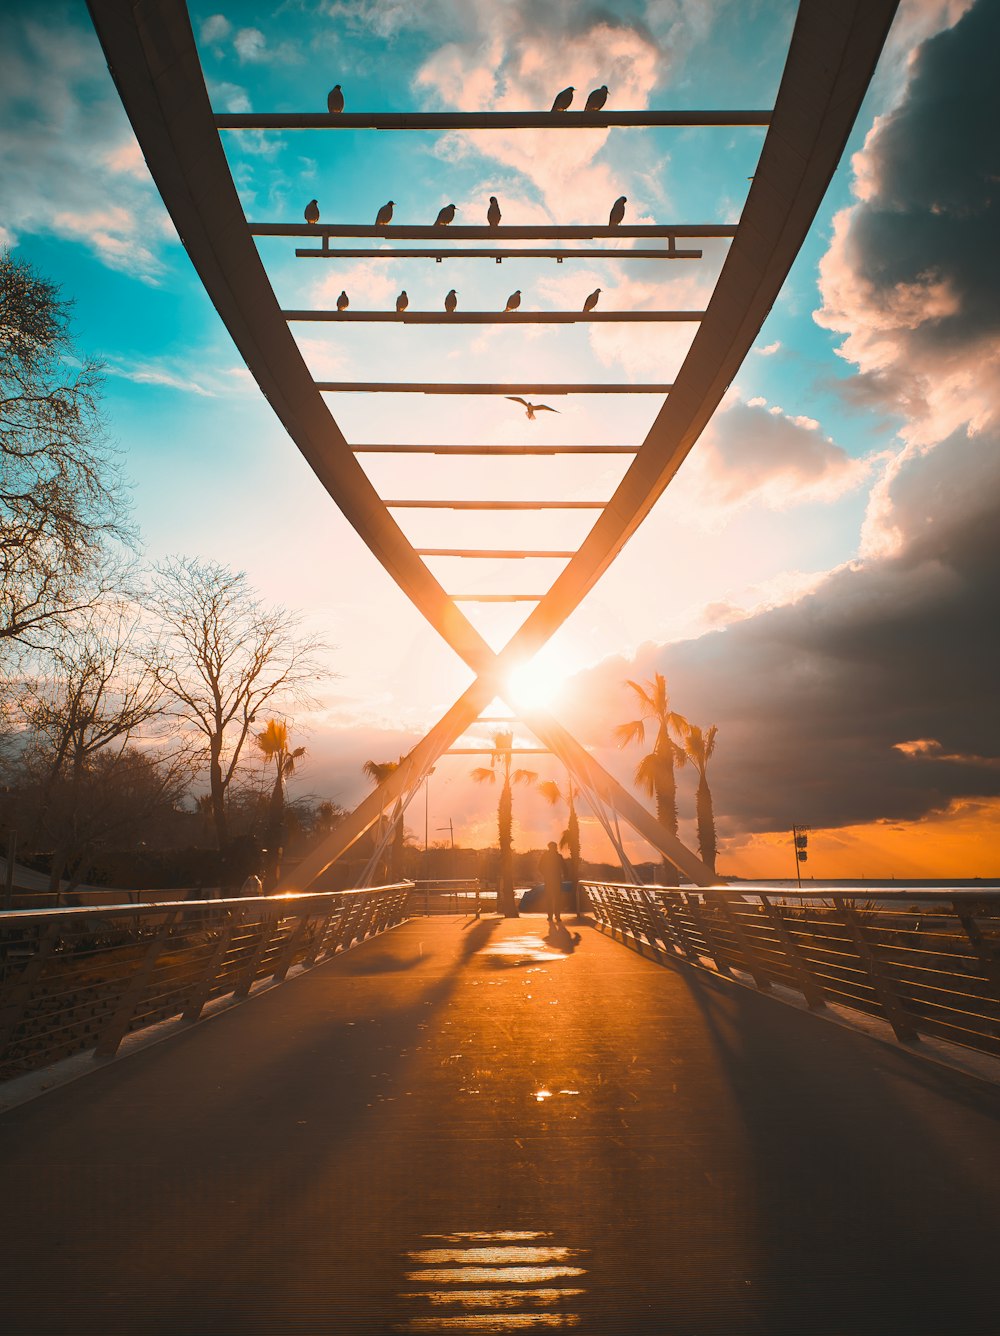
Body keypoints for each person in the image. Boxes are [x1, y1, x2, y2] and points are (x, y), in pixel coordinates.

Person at [540, 841, 566, 924]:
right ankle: (556, 916)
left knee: (550, 898)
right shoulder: (558, 856)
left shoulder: (545, 856)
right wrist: (565, 875)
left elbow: (540, 867)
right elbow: (564, 867)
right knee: (556, 898)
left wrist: (545, 874)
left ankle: (551, 916)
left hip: (549, 880)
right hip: (556, 880)